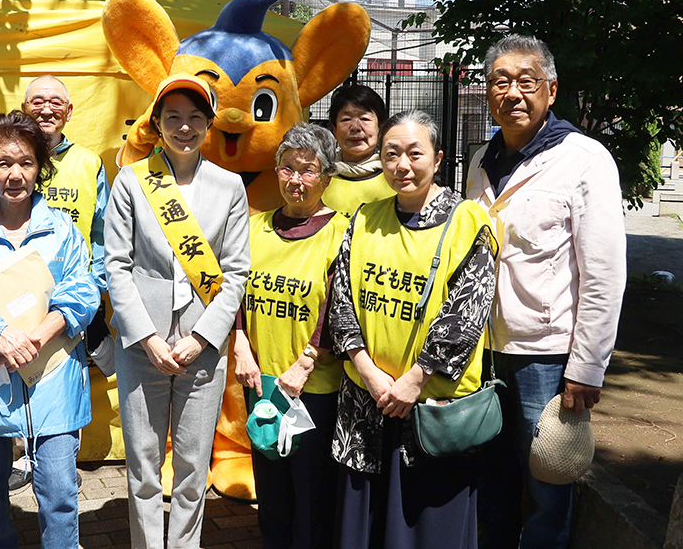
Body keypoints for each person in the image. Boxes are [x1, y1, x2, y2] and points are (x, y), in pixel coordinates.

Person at [470, 35, 626, 548]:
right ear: (488, 92)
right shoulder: (480, 161)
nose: (512, 92)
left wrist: (587, 368)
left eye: (526, 81)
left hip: (547, 358)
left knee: (547, 489)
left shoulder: (584, 159)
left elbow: (603, 272)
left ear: (551, 90)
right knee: (490, 483)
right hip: (482, 353)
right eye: (500, 82)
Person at [328, 111, 497, 548]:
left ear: (438, 159)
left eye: (414, 153)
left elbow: (467, 313)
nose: (402, 165)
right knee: (364, 523)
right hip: (366, 402)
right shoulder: (365, 218)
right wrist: (367, 370)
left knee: (427, 526)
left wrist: (414, 380)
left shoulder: (467, 223)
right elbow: (341, 300)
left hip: (431, 408)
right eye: (391, 154)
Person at [0, 111, 99, 549]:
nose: (15, 174)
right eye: (3, 163)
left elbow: (83, 287)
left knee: (60, 489)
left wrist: (43, 331)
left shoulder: (61, 228)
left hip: (53, 375)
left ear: (40, 167)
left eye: (26, 163)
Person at [105, 74, 250, 549]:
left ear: (209, 123)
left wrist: (203, 337)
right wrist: (146, 337)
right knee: (144, 463)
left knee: (192, 464)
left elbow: (236, 272)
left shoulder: (229, 186)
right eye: (173, 118)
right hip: (140, 346)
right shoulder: (131, 179)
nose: (183, 127)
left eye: (194, 118)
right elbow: (117, 266)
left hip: (201, 346)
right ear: (158, 124)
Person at [232, 123, 348, 549]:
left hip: (311, 387)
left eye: (308, 170)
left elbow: (339, 304)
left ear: (328, 176)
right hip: (261, 381)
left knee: (312, 493)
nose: (296, 180)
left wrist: (307, 362)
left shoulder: (342, 232)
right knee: (272, 488)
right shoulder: (254, 226)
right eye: (287, 168)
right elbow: (235, 293)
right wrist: (240, 343)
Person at [19, 75, 112, 488]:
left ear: (69, 111)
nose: (46, 109)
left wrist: (94, 286)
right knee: (21, 373)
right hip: (19, 299)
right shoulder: (8, 157)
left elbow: (103, 232)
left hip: (74, 302)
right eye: (37, 102)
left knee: (66, 378)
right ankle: (21, 456)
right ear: (24, 110)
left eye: (55, 102)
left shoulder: (88, 163)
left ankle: (60, 459)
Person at [323, 84, 395, 217]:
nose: (355, 127)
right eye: (346, 119)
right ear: (335, 128)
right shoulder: (320, 177)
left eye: (365, 119)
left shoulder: (395, 177)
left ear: (381, 127)